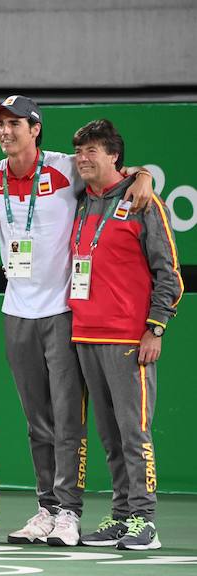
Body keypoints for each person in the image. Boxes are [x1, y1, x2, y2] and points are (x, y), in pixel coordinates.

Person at [0, 95, 155, 546]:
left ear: (35, 129)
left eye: (15, 124)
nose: (6, 131)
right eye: (1, 125)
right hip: (16, 313)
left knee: (67, 420)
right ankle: (48, 507)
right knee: (36, 420)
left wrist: (146, 175)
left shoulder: (67, 167)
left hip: (62, 313)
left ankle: (70, 513)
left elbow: (117, 176)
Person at [68, 119, 182, 551]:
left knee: (135, 432)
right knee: (110, 436)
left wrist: (155, 328)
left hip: (129, 340)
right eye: (79, 151)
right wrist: (141, 173)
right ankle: (122, 516)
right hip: (85, 336)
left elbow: (168, 274)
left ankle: (146, 521)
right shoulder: (81, 200)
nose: (83, 158)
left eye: (93, 150)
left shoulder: (143, 203)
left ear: (114, 155)